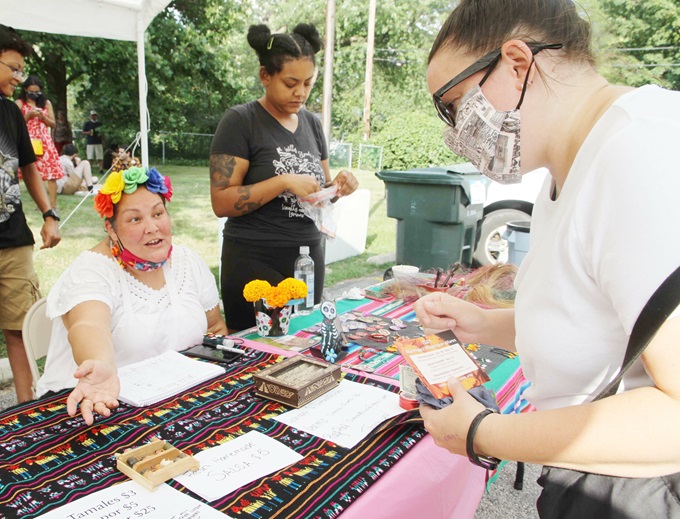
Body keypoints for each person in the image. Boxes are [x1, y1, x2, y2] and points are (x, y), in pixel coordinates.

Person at [416, 0, 680, 514]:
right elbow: (599, 321)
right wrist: (481, 324)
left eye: (453, 106)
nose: (453, 133)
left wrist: (481, 432)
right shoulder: (576, 161)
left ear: (517, 64)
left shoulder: (636, 155)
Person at [36, 166, 228, 425]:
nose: (152, 227)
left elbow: (215, 327)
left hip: (170, 403)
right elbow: (88, 325)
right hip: (92, 405)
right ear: (111, 229)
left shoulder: (187, 261)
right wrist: (99, 365)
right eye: (135, 219)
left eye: (158, 213)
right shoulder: (91, 271)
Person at [210, 23, 358, 332]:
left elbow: (320, 191)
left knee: (304, 347)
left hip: (307, 259)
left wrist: (338, 187)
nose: (301, 92)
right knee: (259, 355)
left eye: (308, 83)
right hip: (254, 259)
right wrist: (283, 181)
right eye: (291, 82)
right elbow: (222, 201)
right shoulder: (241, 122)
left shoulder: (312, 124)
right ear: (265, 76)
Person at [0, 24, 61, 403]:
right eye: (13, 67)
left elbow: (29, 168)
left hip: (12, 241)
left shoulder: (10, 112)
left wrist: (50, 213)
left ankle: (28, 409)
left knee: (20, 328)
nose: (20, 78)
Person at [16, 75, 64, 210]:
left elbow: (53, 124)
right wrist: (28, 116)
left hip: (44, 141)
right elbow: (15, 125)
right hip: (26, 141)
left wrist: (43, 117)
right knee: (26, 172)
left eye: (37, 92)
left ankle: (52, 206)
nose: (34, 94)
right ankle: (32, 204)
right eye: (31, 91)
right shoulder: (19, 103)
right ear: (25, 89)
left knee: (50, 173)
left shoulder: (46, 104)